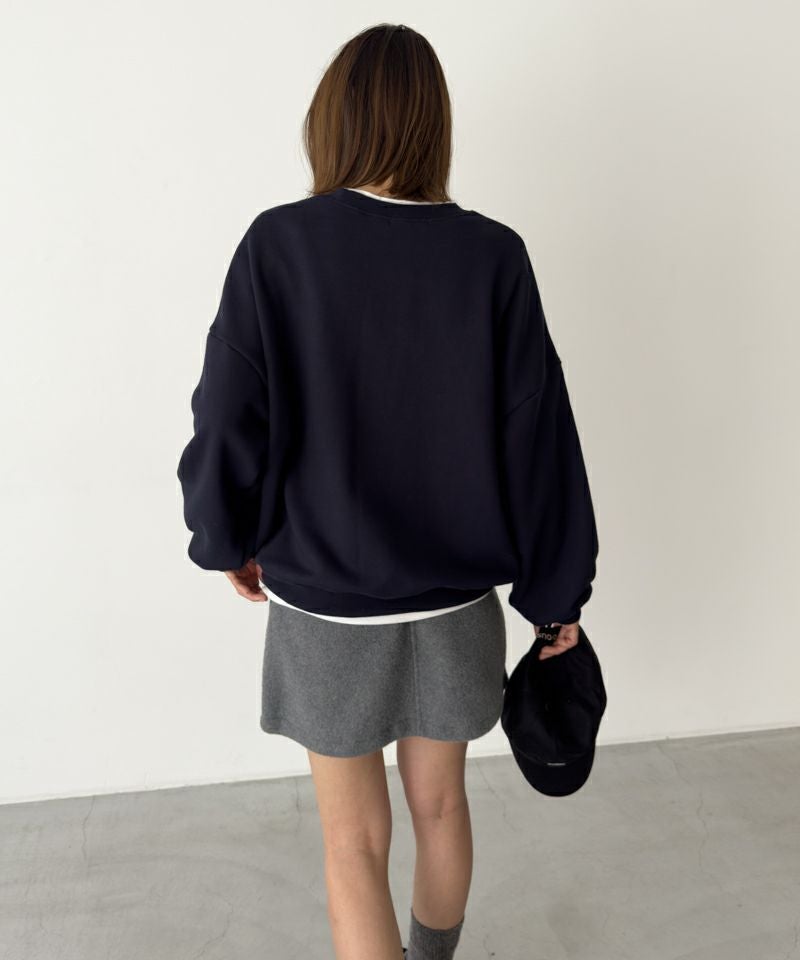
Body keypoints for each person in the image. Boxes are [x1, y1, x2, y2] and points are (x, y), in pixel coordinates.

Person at [176, 21, 598, 960]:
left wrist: (225, 536)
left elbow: (228, 415)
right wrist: (556, 594)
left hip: (326, 603)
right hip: (456, 603)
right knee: (442, 807)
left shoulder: (279, 247)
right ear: (433, 124)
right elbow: (539, 438)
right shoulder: (493, 256)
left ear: (332, 119)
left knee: (352, 841)